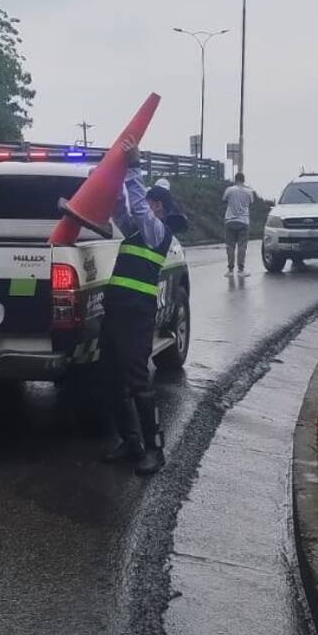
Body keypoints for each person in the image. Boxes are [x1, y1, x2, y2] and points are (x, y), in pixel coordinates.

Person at [100, 139, 188, 476]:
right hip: (117, 310)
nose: (144, 206)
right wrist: (114, 173)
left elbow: (135, 205)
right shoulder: (134, 230)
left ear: (160, 209)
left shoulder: (156, 231)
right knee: (111, 380)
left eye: (151, 203)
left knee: (138, 381)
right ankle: (131, 442)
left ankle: (155, 449)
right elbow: (121, 208)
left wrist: (134, 167)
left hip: (137, 313)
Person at [222, 172, 256, 276]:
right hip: (243, 221)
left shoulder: (229, 190)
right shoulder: (249, 192)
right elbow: (251, 202)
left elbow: (224, 199)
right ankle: (241, 269)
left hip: (230, 220)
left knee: (230, 246)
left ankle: (230, 270)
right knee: (242, 246)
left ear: (235, 179)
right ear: (244, 180)